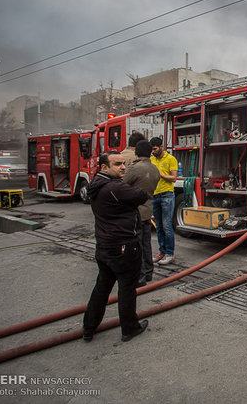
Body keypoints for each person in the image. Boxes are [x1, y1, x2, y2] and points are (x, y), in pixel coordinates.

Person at [82, 151, 149, 343]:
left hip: (104, 246)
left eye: (123, 163)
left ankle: (89, 327)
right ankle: (129, 328)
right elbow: (141, 195)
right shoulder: (114, 188)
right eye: (117, 164)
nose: (123, 167)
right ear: (104, 167)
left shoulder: (96, 185)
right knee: (127, 288)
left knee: (102, 288)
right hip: (123, 247)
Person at [124, 140, 161, 287]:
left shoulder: (135, 169)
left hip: (135, 212)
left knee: (136, 246)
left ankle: (139, 277)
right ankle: (148, 272)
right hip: (147, 211)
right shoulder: (154, 169)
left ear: (137, 153)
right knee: (146, 244)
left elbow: (123, 185)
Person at [150, 137, 178, 266]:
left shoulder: (171, 159)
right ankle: (161, 252)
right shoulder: (151, 159)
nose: (153, 151)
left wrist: (160, 175)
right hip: (155, 195)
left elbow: (173, 178)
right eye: (152, 149)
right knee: (159, 226)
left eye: (155, 148)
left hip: (167, 194)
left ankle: (169, 253)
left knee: (167, 226)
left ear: (161, 146)